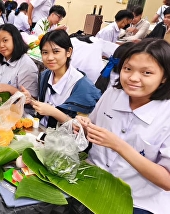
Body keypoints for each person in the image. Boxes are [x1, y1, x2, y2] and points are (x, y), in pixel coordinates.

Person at [76, 39, 170, 214]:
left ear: (164, 77)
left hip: (138, 200)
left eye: (146, 72)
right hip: (91, 179)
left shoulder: (166, 114)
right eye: (128, 69)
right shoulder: (113, 93)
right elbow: (93, 125)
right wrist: (84, 127)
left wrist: (118, 145)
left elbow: (167, 181)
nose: (133, 78)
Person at [22, 30, 101, 128]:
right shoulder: (45, 75)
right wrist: (31, 101)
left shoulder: (83, 87)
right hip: (43, 132)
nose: (50, 57)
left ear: (69, 52)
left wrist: (53, 112)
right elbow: (44, 107)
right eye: (45, 52)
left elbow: (82, 128)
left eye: (56, 52)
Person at [0, 24, 38, 99]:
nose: (1, 45)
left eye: (5, 40)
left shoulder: (26, 65)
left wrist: (9, 89)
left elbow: (32, 100)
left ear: (15, 39)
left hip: (19, 109)